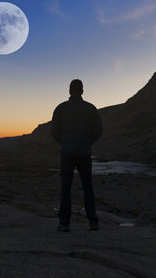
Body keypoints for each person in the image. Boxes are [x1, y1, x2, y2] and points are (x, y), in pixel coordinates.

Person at [51, 79, 102, 232]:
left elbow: (54, 133)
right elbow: (98, 132)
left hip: (66, 153)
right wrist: (87, 143)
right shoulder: (91, 109)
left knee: (65, 188)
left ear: (69, 91)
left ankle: (64, 223)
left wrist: (65, 143)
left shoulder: (60, 108)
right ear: (82, 91)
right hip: (84, 153)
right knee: (88, 187)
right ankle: (93, 222)